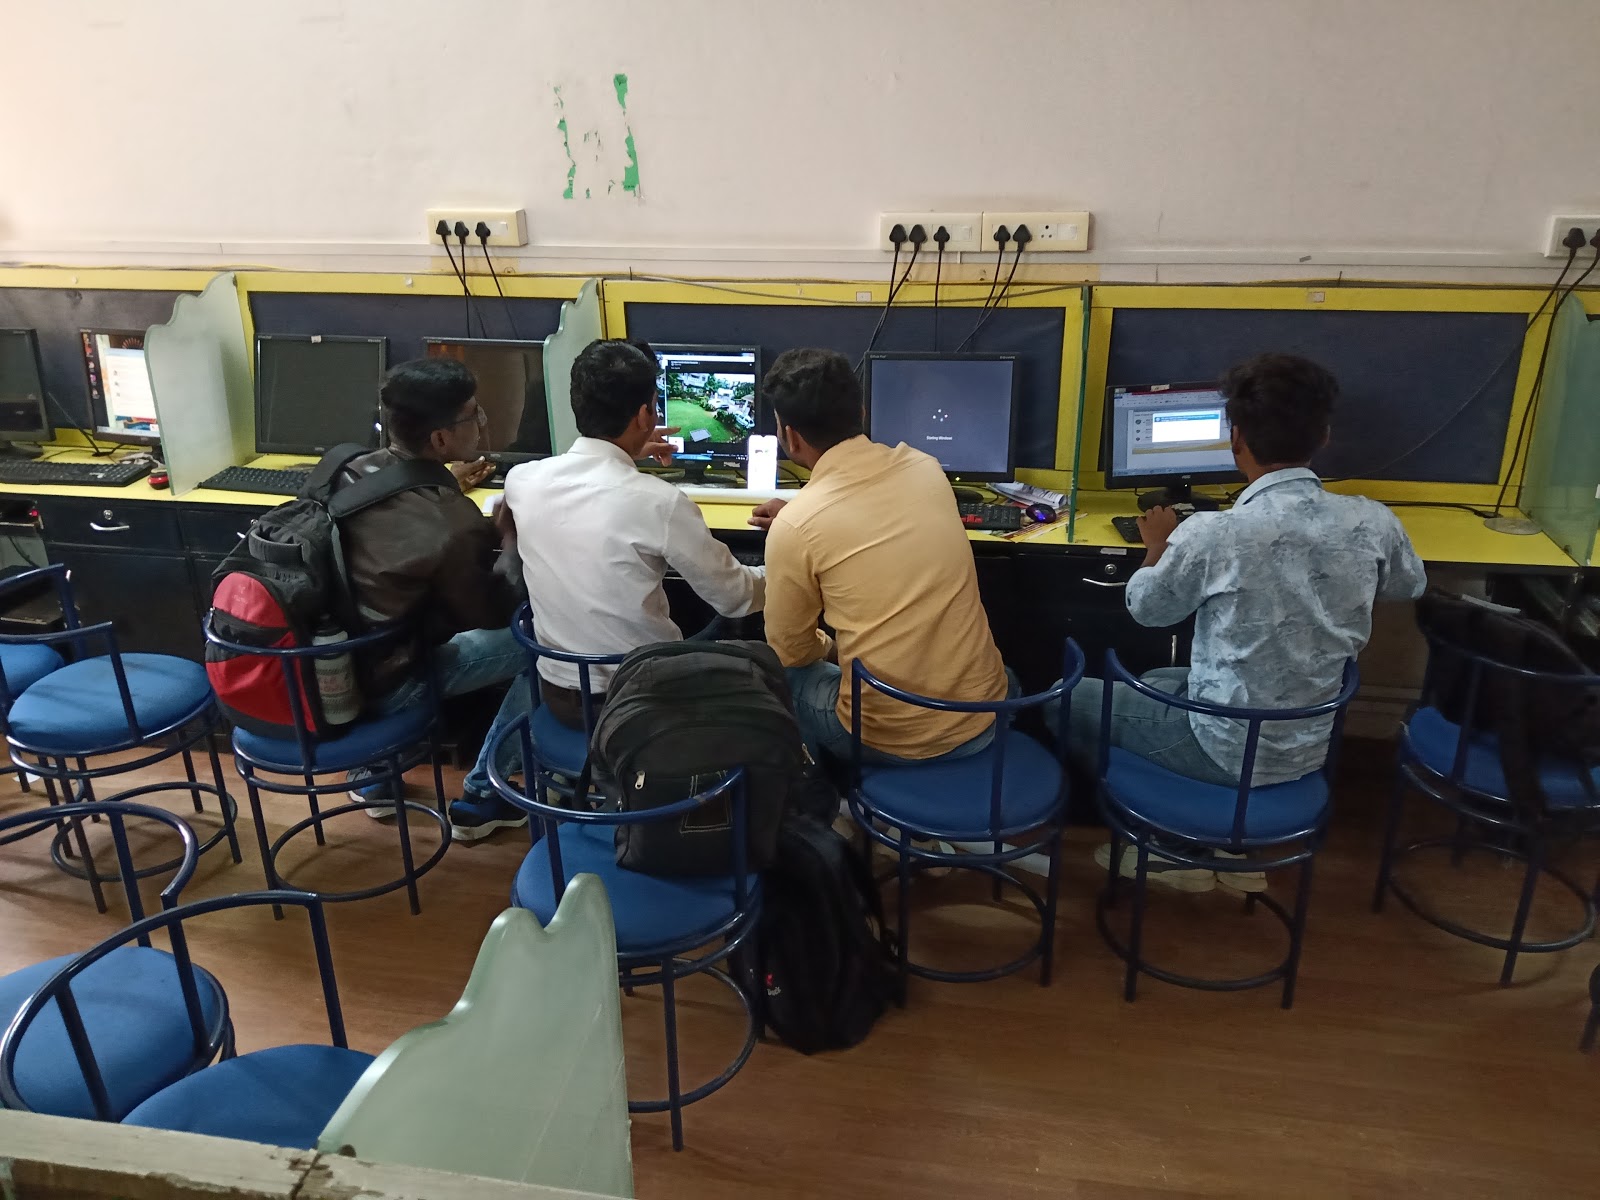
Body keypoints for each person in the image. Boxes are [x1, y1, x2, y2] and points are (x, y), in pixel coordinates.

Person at [1064, 352, 1427, 891]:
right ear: (1323, 436)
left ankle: (1174, 842)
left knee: (1063, 698)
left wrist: (1156, 548)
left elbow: (1147, 610)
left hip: (1226, 748)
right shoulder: (1373, 520)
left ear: (1235, 440)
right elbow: (1408, 585)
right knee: (1160, 679)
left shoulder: (1214, 534)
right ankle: (1214, 839)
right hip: (1309, 741)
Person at [446, 339, 766, 823]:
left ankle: (484, 792)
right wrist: (785, 560)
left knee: (544, 648)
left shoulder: (522, 480)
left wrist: (628, 456)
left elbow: (566, 499)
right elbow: (737, 598)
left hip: (560, 690)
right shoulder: (661, 503)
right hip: (642, 701)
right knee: (737, 637)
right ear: (645, 415)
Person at [750, 348, 1009, 765]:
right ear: (862, 412)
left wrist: (833, 647)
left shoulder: (797, 526)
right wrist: (800, 518)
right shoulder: (927, 467)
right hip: (985, 712)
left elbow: (791, 651)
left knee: (779, 677)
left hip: (892, 740)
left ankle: (821, 792)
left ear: (790, 437)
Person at [336, 357, 531, 839]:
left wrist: (443, 487)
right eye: (474, 415)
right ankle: (484, 794)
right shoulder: (450, 521)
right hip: (391, 682)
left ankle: (374, 775)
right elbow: (493, 611)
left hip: (328, 671)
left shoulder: (344, 468)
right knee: (545, 642)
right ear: (441, 439)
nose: (482, 422)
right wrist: (508, 537)